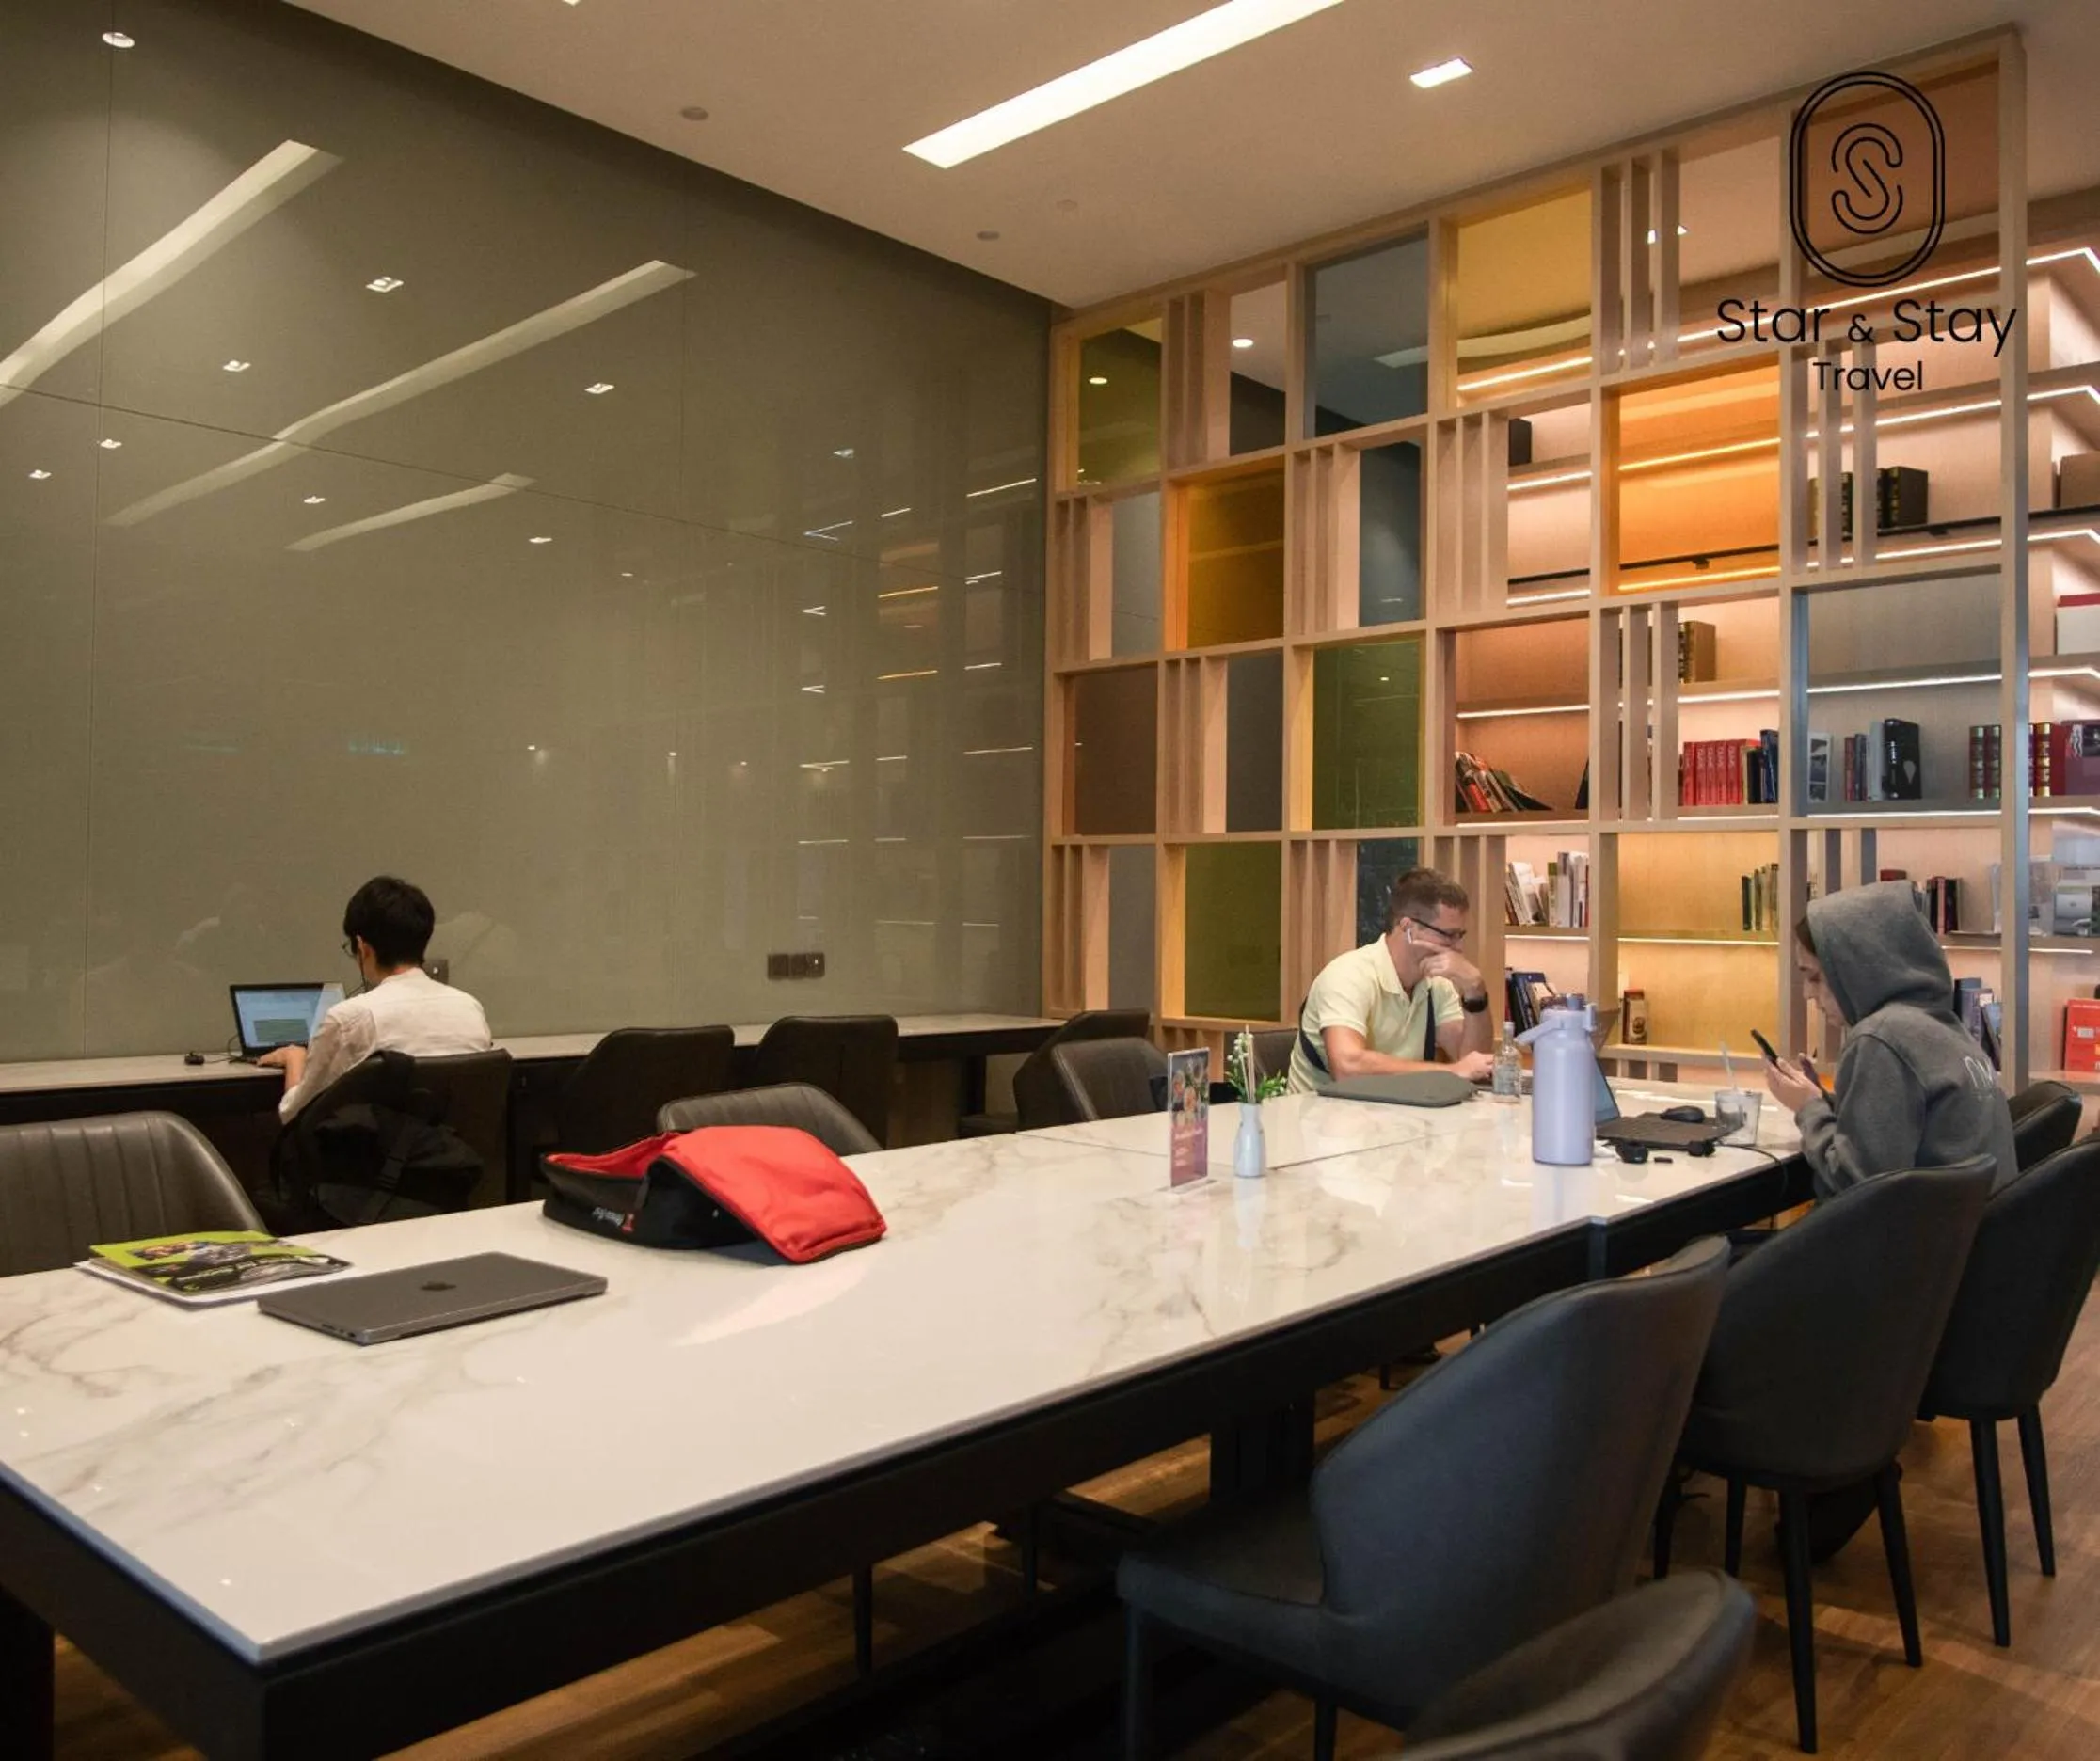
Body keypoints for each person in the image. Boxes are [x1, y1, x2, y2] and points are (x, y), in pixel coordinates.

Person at [1764, 880, 2015, 1199]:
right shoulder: (1941, 1027)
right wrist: (1826, 1103)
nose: (1808, 994)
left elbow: (1857, 1186)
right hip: (1966, 1238)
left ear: (1856, 969)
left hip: (1908, 1243)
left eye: (1815, 977)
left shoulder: (1881, 1038)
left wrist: (1808, 1109)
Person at [264, 877, 493, 1121]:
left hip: (369, 1157)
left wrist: (295, 1059)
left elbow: (296, 1115)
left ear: (363, 947)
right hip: (460, 1154)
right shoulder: (470, 1007)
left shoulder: (349, 1019)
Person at [1288, 867, 1495, 1093]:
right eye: (1448, 935)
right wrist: (1451, 1072)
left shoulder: (1437, 985)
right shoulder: (1348, 975)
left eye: (1460, 935)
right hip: (1317, 1120)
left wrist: (1475, 990)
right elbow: (1348, 1069)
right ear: (1408, 928)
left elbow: (1472, 1063)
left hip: (1391, 1117)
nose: (1459, 947)